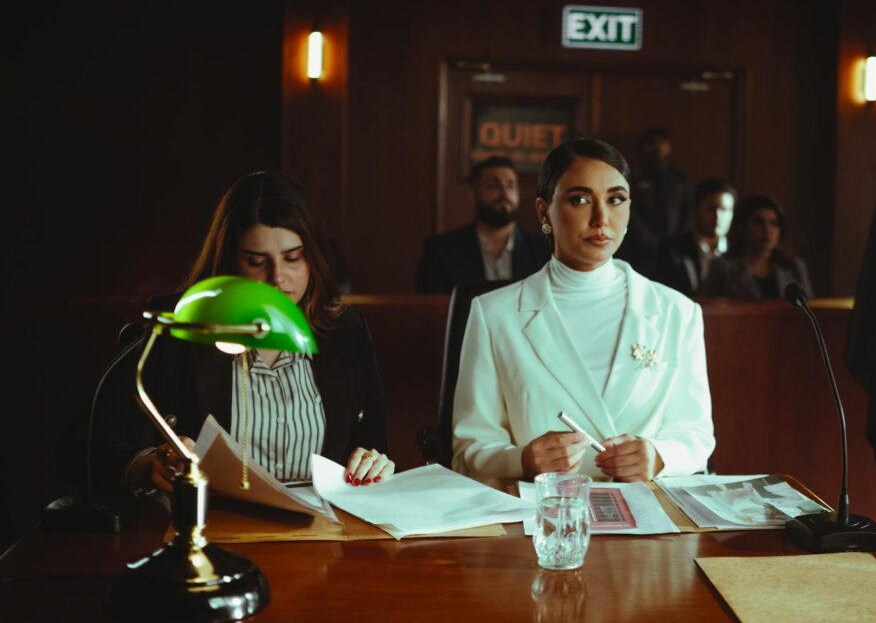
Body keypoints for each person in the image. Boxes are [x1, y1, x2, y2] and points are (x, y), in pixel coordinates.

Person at [90, 171, 393, 494]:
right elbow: (89, 445)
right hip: (214, 527)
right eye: (256, 261)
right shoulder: (182, 326)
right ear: (229, 262)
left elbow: (372, 445)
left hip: (322, 530)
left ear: (312, 258)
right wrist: (147, 463)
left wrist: (374, 463)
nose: (278, 278)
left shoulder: (345, 331)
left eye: (292, 258)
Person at [452, 138, 715, 481]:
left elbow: (696, 435)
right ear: (544, 211)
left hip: (647, 517)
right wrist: (523, 460)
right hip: (542, 515)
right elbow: (469, 448)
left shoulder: (677, 312)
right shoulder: (494, 314)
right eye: (580, 200)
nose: (601, 218)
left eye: (615, 200)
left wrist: (658, 457)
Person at [415, 156, 551, 294]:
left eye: (510, 185)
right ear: (472, 193)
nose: (504, 193)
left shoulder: (544, 249)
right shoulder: (441, 251)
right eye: (493, 185)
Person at [702, 195, 813, 300]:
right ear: (743, 228)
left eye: (773, 223)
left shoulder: (794, 267)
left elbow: (809, 308)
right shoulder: (722, 269)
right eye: (759, 223)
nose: (767, 230)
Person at [617, 127, 693, 273]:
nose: (657, 147)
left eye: (661, 143)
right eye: (652, 143)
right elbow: (629, 210)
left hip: (676, 250)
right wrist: (648, 241)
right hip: (640, 250)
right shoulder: (633, 177)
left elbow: (689, 211)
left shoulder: (681, 178)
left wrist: (679, 242)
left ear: (669, 146)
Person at [655, 178, 737, 296]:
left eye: (724, 209)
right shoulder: (672, 251)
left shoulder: (739, 251)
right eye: (710, 209)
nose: (717, 216)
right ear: (696, 209)